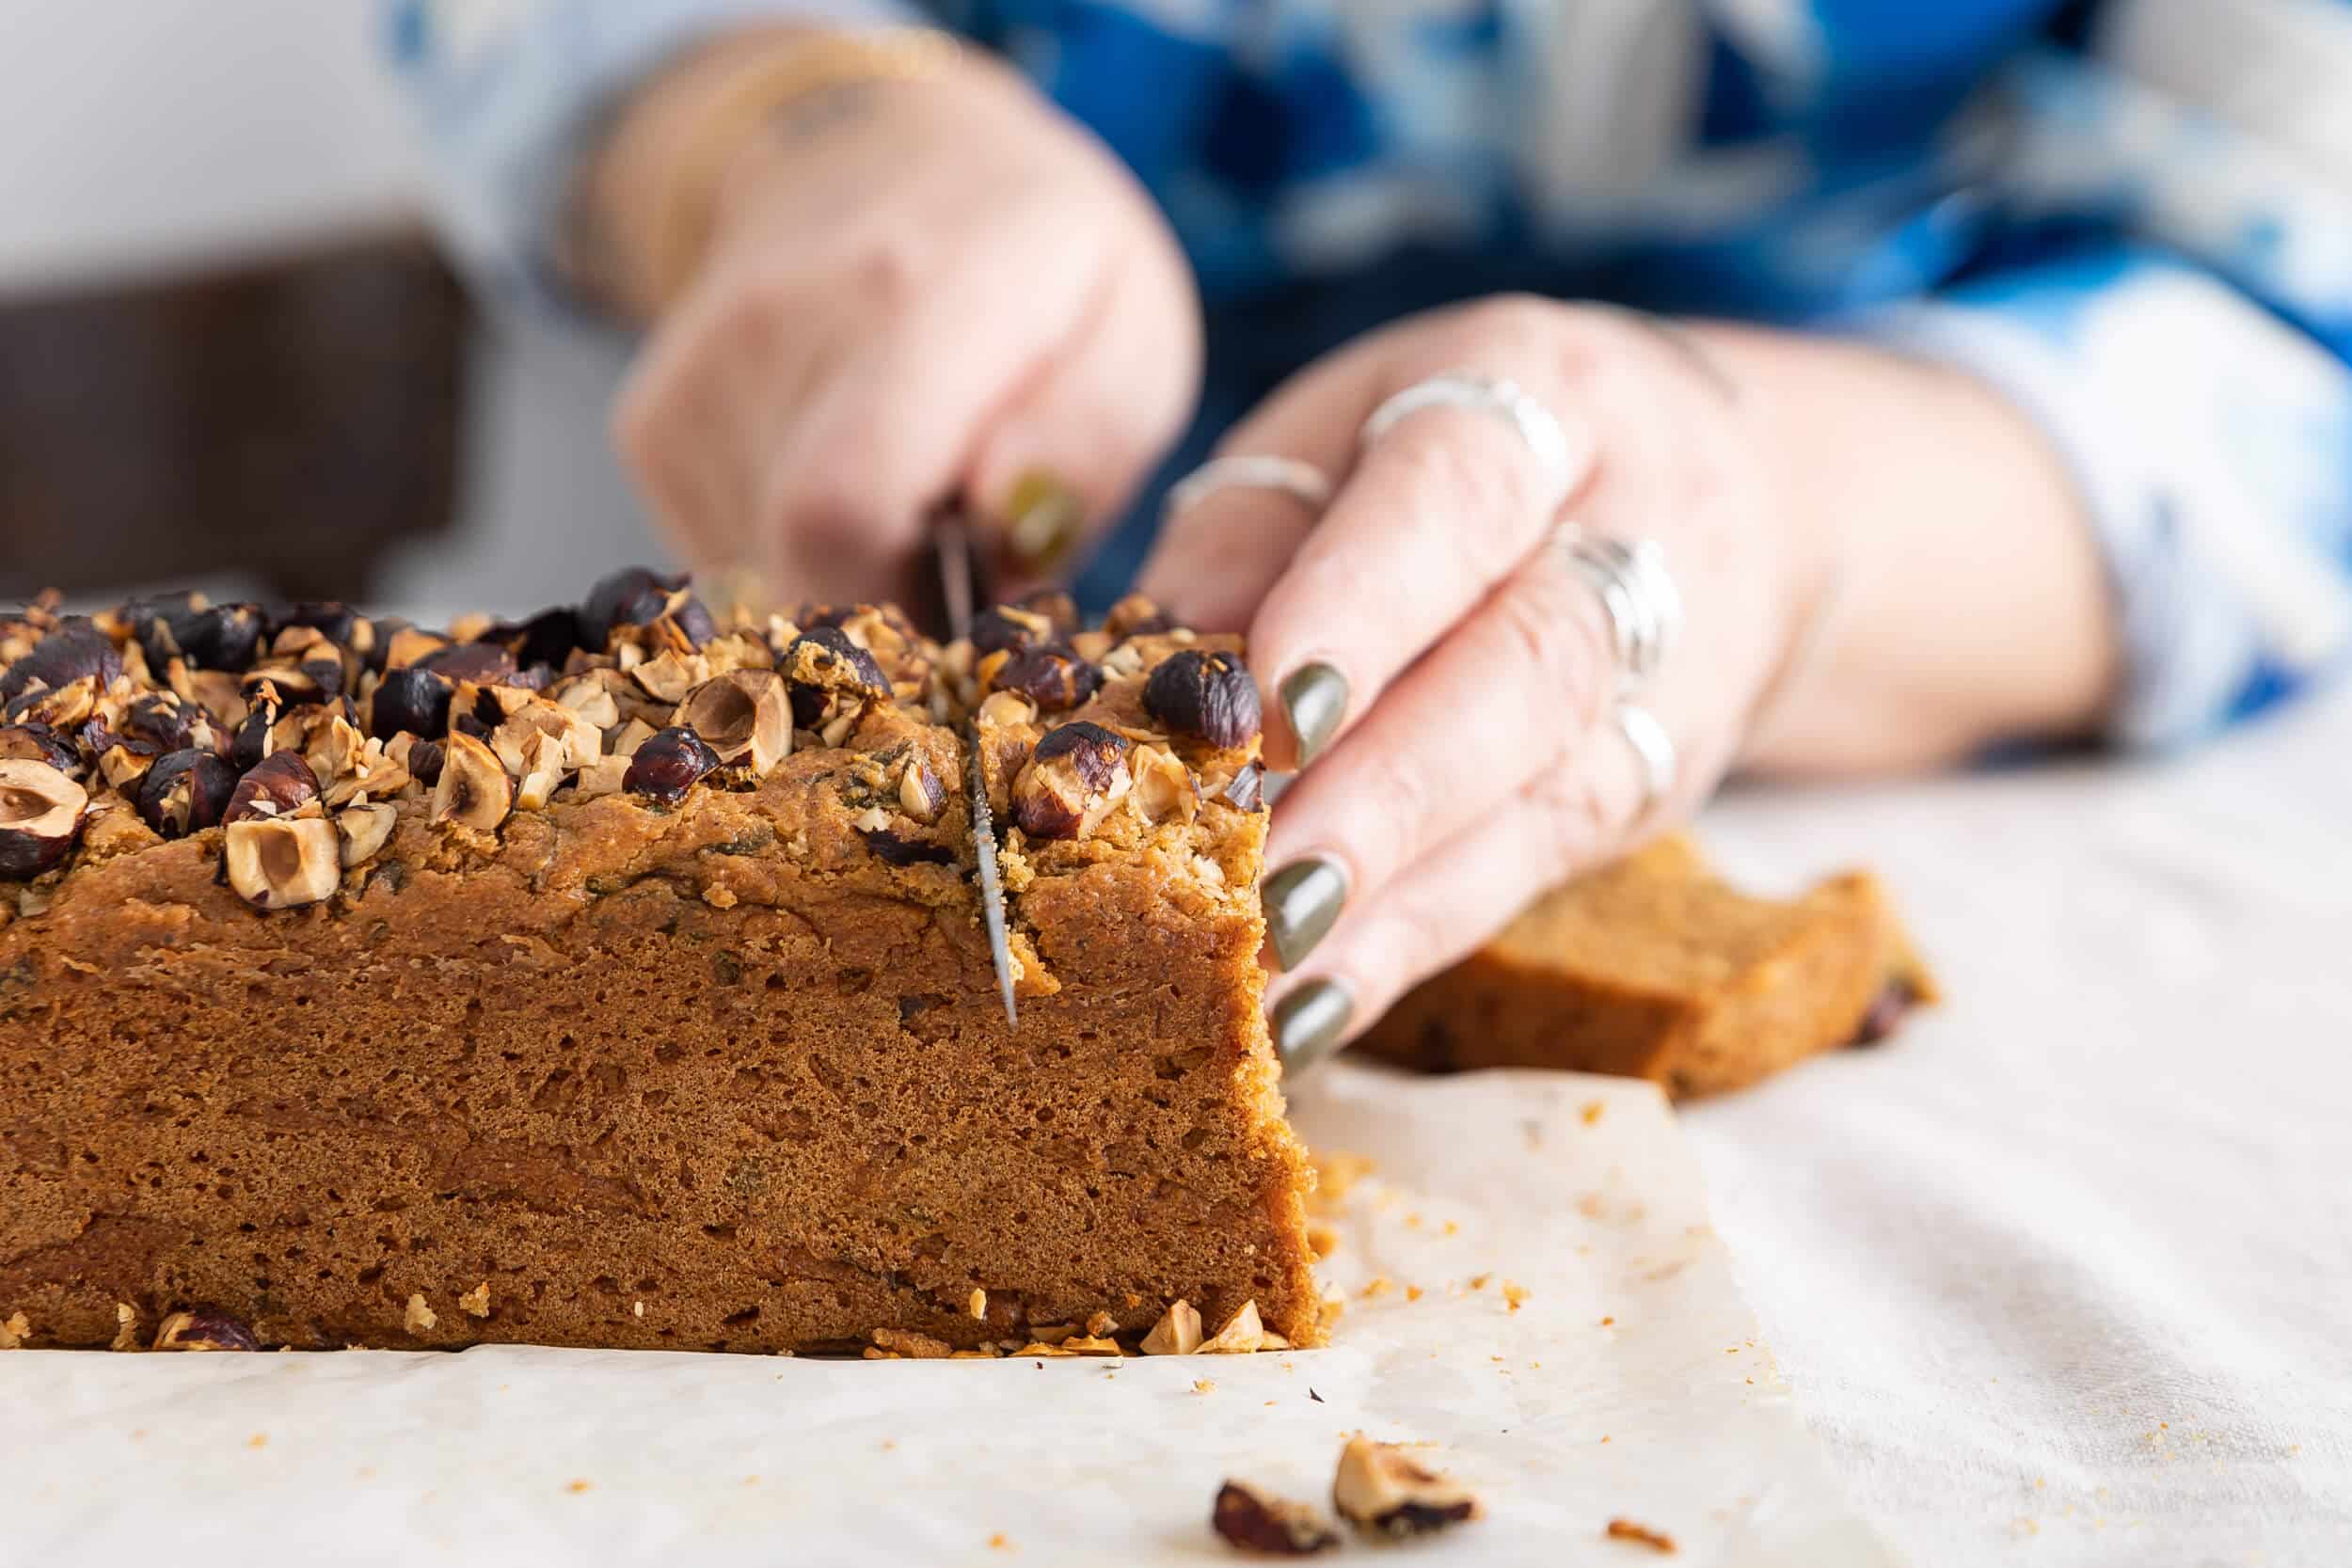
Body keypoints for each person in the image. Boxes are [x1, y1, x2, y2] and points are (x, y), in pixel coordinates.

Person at [383, 1, 2352, 1066]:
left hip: (1901, 716)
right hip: (821, 636)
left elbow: (2280, 350)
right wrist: (795, 116)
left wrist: (1766, 505)